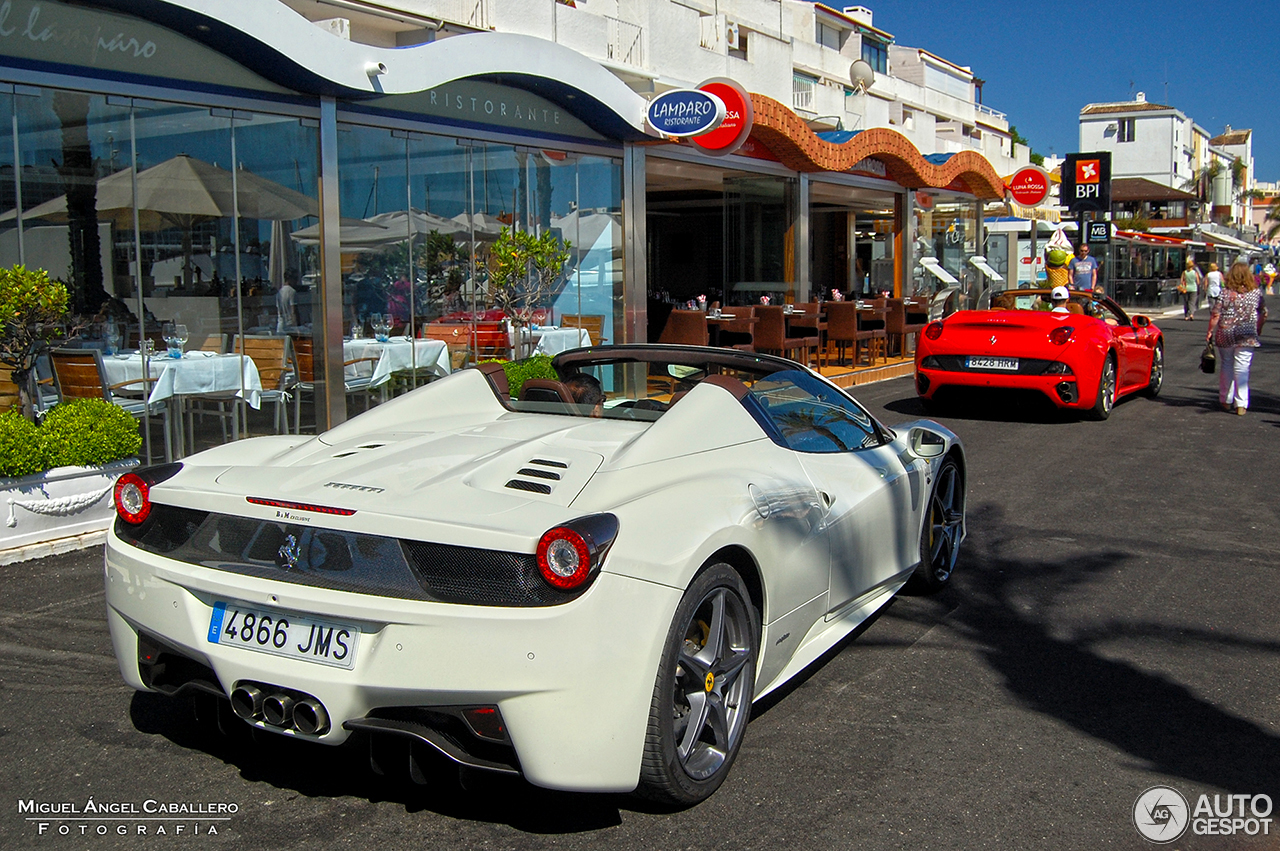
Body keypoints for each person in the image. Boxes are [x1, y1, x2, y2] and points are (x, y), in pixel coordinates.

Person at [1206, 262, 1267, 415]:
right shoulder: (1256, 293)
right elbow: (1263, 312)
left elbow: (1216, 314)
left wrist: (1209, 331)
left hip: (1225, 332)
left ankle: (1225, 399)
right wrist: (1258, 327)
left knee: (1226, 364)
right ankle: (1241, 403)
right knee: (1242, 367)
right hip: (1246, 333)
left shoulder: (1224, 293)